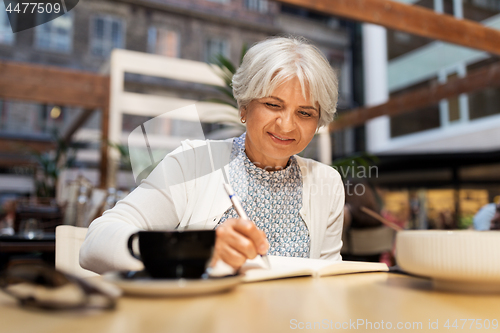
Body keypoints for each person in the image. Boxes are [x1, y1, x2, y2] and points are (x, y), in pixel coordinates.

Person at [80, 36, 344, 274]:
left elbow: (330, 278)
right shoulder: (192, 163)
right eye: (273, 105)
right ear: (244, 107)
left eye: (305, 113)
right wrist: (196, 251)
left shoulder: (327, 183)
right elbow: (95, 243)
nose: (286, 125)